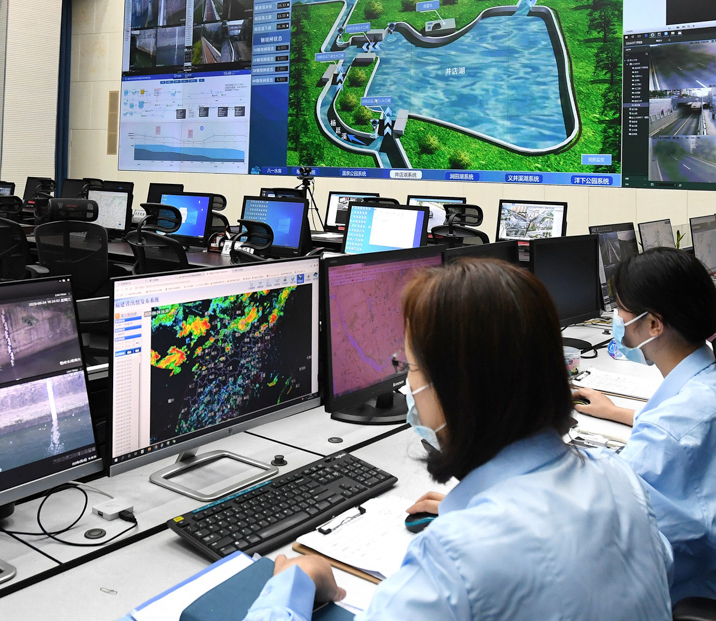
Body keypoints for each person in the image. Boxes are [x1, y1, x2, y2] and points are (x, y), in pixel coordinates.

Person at [243, 259, 674, 621]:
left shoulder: (454, 561)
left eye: (411, 367)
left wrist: (292, 585)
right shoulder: (619, 477)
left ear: (455, 389)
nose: (409, 386)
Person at [574, 247, 716, 604]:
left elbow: (622, 532)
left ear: (654, 324)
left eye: (619, 310)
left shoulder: (672, 429)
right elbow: (692, 430)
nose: (616, 319)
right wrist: (616, 412)